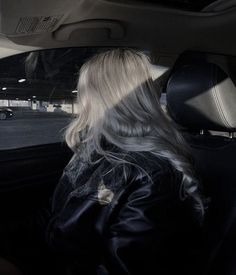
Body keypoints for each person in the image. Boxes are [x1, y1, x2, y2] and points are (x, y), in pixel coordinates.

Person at [46, 48, 205, 275]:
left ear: (103, 97)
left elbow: (122, 266)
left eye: (84, 92)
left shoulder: (152, 175)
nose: (80, 100)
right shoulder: (94, 151)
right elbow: (57, 218)